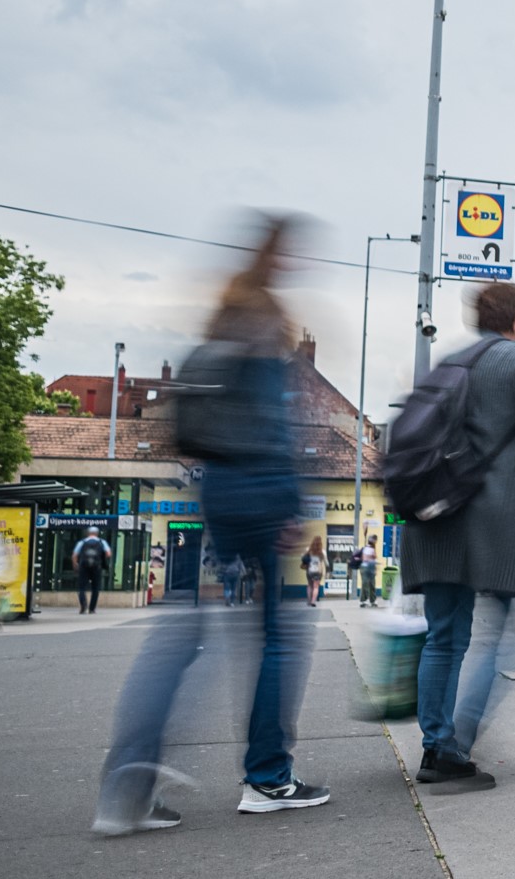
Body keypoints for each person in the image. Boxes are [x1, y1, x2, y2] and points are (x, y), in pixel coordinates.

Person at [92, 216, 329, 835]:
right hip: (260, 491)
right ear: (278, 260)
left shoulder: (215, 334)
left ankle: (127, 787)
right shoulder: (265, 332)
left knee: (184, 635)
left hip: (218, 496)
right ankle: (268, 777)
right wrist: (291, 506)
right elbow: (274, 432)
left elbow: (185, 433)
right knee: (279, 637)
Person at [400, 282, 515, 791]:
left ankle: (437, 745)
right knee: (506, 634)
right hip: (490, 522)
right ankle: (454, 745)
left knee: (444, 635)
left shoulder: (448, 364)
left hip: (435, 514)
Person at [72, 527, 113, 614]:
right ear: (97, 533)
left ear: (88, 533)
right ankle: (92, 608)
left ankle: (83, 606)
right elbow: (108, 554)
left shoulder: (82, 542)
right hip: (96, 567)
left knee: (81, 587)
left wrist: (75, 564)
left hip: (84, 567)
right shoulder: (102, 542)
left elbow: (75, 555)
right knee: (95, 588)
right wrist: (102, 559)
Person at [301, 536, 326, 606]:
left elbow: (302, 557)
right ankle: (313, 601)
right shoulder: (322, 552)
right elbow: (325, 562)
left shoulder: (308, 550)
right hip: (318, 571)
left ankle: (309, 600)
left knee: (309, 585)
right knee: (316, 587)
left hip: (309, 570)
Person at [358, 536, 381, 606]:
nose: (376, 542)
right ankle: (365, 600)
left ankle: (371, 600)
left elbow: (373, 558)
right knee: (367, 584)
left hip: (369, 568)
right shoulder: (367, 548)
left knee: (370, 584)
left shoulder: (371, 549)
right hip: (366, 568)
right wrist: (371, 558)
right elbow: (365, 558)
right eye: (375, 540)